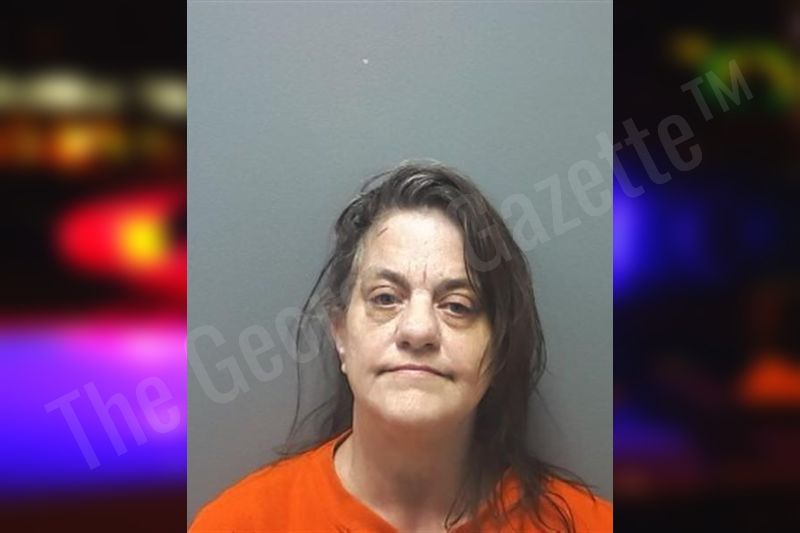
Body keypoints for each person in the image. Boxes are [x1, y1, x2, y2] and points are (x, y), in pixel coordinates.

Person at [190, 161, 612, 532]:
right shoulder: (238, 525)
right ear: (340, 333)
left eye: (457, 305)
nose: (418, 329)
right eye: (386, 298)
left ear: (499, 346)